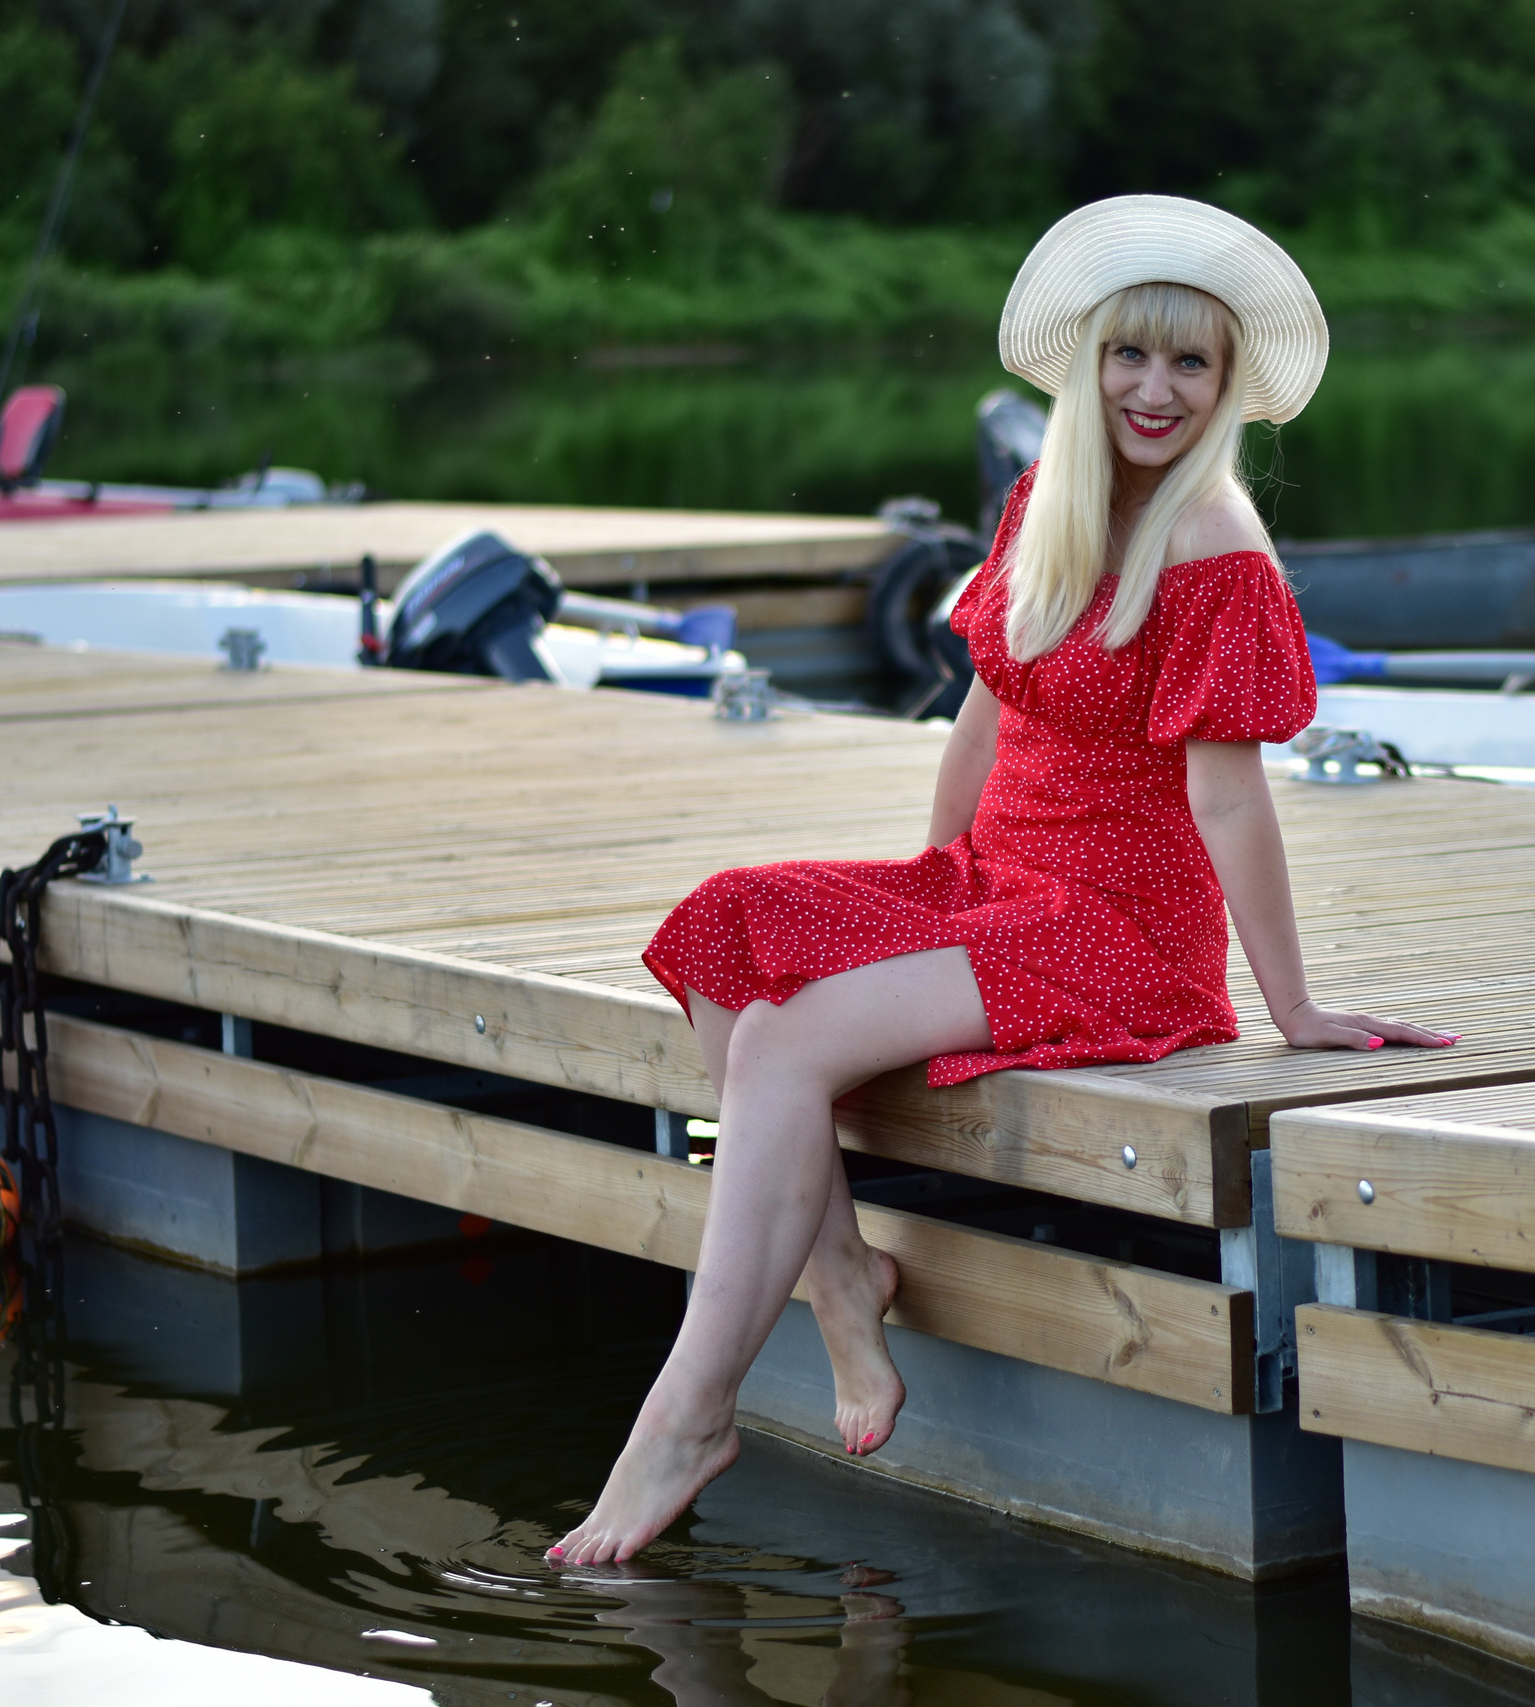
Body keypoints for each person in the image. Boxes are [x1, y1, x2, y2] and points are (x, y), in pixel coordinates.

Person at [551, 195, 1455, 1567]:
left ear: (1226, 388)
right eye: (1130, 357)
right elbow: (985, 706)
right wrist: (931, 875)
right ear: (1087, 362)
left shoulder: (1218, 554)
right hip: (999, 877)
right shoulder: (1054, 497)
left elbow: (1230, 799)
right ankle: (844, 1279)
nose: (1155, 390)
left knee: (789, 1045)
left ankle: (689, 1410)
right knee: (728, 931)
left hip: (1119, 928)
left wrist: (1297, 1004)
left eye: (1191, 364)